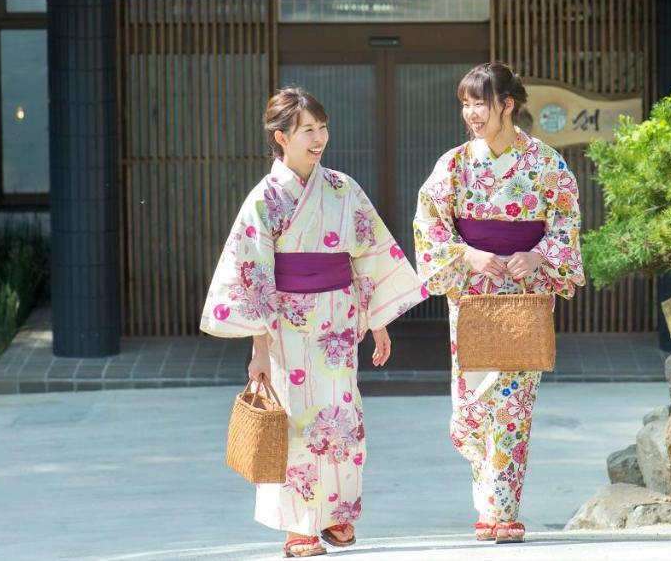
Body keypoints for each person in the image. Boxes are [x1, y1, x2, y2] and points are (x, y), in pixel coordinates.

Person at [200, 87, 427, 559]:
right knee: (297, 421)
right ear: (281, 137)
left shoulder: (343, 188)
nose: (319, 137)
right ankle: (299, 525)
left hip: (340, 318)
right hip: (286, 322)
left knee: (343, 415)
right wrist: (258, 349)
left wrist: (377, 320)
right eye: (308, 130)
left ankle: (338, 513)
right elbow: (254, 274)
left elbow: (367, 253)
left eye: (322, 127)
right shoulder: (265, 199)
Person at [412, 62, 585, 544]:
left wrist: (538, 255)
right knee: (470, 411)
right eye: (465, 103)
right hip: (471, 295)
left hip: (525, 297)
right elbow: (429, 226)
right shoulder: (453, 165)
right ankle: (488, 490)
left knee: (513, 407)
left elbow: (566, 228)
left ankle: (500, 511)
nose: (471, 112)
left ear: (507, 104)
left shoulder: (548, 165)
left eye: (480, 102)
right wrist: (468, 253)